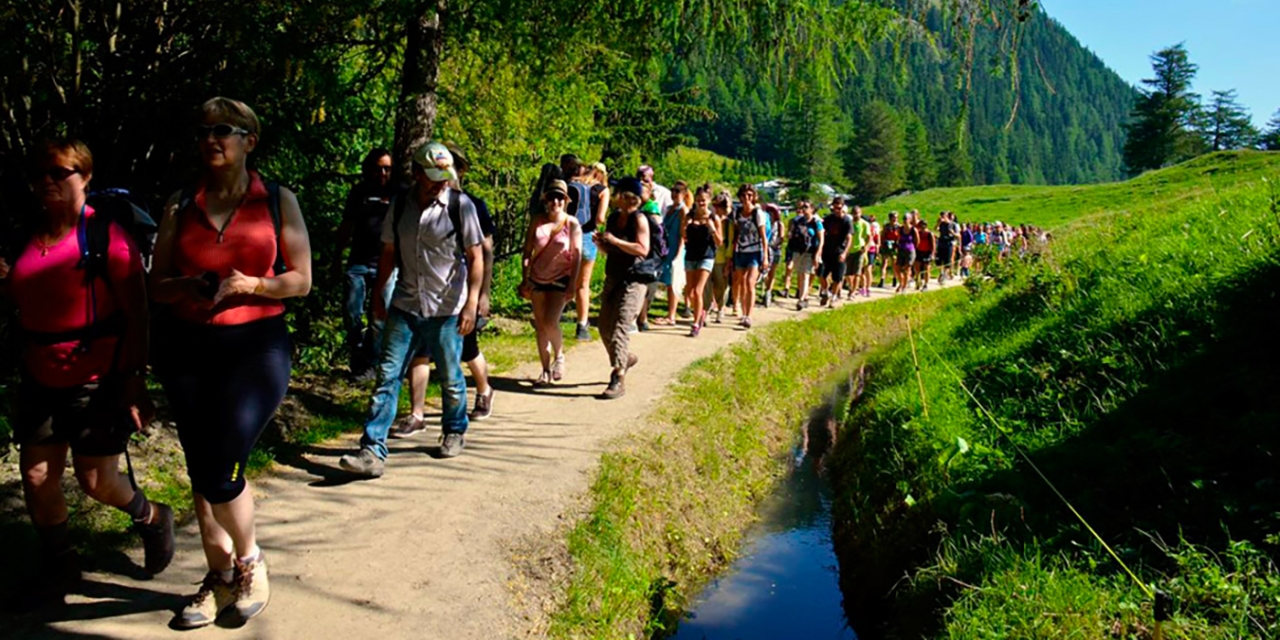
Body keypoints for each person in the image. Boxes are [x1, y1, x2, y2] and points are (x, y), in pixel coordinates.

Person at [150, 98, 313, 627]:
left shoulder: (276, 201)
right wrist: (188, 285)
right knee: (201, 468)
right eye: (204, 130)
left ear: (250, 140)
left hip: (256, 347)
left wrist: (254, 285)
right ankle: (219, 576)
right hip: (190, 347)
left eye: (224, 129)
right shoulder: (181, 202)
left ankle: (250, 561)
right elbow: (158, 284)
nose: (211, 138)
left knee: (222, 463)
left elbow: (301, 280)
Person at [3, 139, 174, 609]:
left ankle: (152, 515)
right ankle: (60, 566)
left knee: (96, 482)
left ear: (85, 177)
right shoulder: (25, 236)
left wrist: (134, 380)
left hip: (97, 377)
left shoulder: (105, 237)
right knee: (37, 476)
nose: (50, 181)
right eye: (42, 173)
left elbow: (138, 313)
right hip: (39, 373)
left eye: (61, 172)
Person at [338, 141, 484, 477]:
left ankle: (454, 430)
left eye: (444, 176)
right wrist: (378, 294)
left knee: (449, 377)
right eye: (433, 176)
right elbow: (388, 252)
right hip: (405, 304)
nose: (440, 182)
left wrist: (472, 303)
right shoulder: (401, 204)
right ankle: (372, 452)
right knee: (387, 378)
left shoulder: (460, 206)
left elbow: (476, 257)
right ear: (417, 174)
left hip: (447, 309)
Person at [395, 143, 499, 428]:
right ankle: (417, 414)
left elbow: (483, 253)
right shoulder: (411, 203)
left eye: (452, 170)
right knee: (420, 354)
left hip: (456, 297)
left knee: (467, 351)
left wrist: (481, 296)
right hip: (418, 298)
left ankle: (484, 389)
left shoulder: (470, 205)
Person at [332, 148, 396, 380]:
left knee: (380, 315)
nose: (382, 172)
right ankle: (358, 354)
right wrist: (337, 258)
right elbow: (346, 226)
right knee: (352, 313)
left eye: (387, 168)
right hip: (358, 263)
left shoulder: (399, 193)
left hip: (386, 265)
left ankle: (372, 363)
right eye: (378, 167)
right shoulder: (359, 192)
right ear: (369, 168)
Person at [520, 179, 582, 385]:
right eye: (552, 197)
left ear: (565, 201)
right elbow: (527, 251)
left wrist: (573, 283)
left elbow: (576, 255)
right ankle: (545, 370)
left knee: (550, 322)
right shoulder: (537, 221)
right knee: (540, 326)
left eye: (560, 198)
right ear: (546, 200)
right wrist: (525, 277)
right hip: (537, 278)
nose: (556, 201)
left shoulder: (572, 223)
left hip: (560, 278)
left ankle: (560, 356)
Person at [594, 177, 651, 399]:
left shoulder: (639, 220)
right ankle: (624, 357)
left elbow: (642, 249)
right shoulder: (614, 218)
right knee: (603, 326)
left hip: (634, 280)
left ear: (628, 197)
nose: (614, 196)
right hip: (613, 276)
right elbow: (610, 250)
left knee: (619, 326)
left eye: (618, 192)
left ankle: (618, 376)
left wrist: (615, 241)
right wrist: (602, 243)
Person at [571, 161, 609, 341]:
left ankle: (548, 317)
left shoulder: (574, 183)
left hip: (568, 235)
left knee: (564, 278)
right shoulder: (603, 190)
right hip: (587, 236)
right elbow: (600, 218)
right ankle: (581, 325)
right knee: (583, 284)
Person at [681, 185, 721, 337]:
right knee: (690, 291)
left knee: (698, 290)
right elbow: (684, 236)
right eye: (698, 200)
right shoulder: (689, 216)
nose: (701, 203)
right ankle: (701, 312)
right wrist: (686, 226)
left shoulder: (713, 218)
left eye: (703, 200)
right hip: (691, 255)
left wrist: (711, 229)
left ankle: (696, 323)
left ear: (709, 200)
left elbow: (720, 241)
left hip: (706, 256)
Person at [648, 181, 688, 326]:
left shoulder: (683, 210)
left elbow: (683, 233)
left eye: (678, 191)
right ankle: (669, 313)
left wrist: (679, 253)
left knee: (673, 281)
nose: (674, 194)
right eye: (673, 191)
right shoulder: (670, 208)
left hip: (676, 248)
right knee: (667, 281)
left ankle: (671, 315)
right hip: (667, 247)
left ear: (683, 194)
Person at [729, 184, 769, 328]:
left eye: (750, 195)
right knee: (740, 281)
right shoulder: (737, 212)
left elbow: (764, 237)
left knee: (750, 282)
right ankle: (742, 311)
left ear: (754, 197)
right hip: (740, 251)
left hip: (754, 252)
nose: (747, 198)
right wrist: (732, 254)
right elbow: (736, 234)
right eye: (744, 195)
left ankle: (748, 315)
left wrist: (765, 257)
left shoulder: (757, 213)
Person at [784, 199, 823, 309]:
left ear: (812, 209)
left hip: (810, 252)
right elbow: (791, 236)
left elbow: (821, 240)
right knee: (800, 275)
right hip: (798, 251)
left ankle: (801, 300)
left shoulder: (816, 223)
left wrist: (818, 254)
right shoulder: (797, 221)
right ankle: (804, 297)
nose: (803, 209)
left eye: (806, 207)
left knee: (805, 274)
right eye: (803, 207)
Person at [705, 192, 734, 323]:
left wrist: (728, 262)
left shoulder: (728, 224)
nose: (716, 208)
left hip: (721, 259)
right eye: (715, 205)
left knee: (721, 286)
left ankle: (720, 308)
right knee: (707, 286)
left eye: (719, 206)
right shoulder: (709, 220)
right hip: (707, 256)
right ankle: (706, 310)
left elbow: (730, 243)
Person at [819, 198, 853, 307]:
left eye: (839, 208)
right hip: (827, 250)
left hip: (839, 251)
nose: (837, 210)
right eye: (835, 208)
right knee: (821, 274)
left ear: (843, 207)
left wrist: (845, 253)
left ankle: (833, 297)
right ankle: (825, 292)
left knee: (837, 278)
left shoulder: (846, 221)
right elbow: (822, 232)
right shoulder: (828, 219)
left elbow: (849, 238)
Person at [843, 206, 871, 299]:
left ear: (861, 213)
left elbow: (869, 237)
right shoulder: (849, 223)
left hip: (859, 250)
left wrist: (866, 247)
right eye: (854, 213)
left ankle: (853, 291)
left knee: (857, 273)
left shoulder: (864, 224)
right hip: (849, 250)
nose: (856, 215)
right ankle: (851, 288)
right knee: (847, 273)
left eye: (858, 213)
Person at [760, 203, 784, 307]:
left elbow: (781, 237)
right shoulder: (764, 222)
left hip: (775, 250)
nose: (770, 213)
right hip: (765, 249)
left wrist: (773, 245)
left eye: (772, 211)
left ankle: (768, 291)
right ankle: (765, 288)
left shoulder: (779, 224)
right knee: (764, 272)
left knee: (772, 273)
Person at [894, 211, 919, 294]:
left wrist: (912, 248)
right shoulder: (901, 229)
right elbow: (898, 237)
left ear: (910, 220)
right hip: (901, 250)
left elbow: (917, 241)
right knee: (897, 268)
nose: (905, 220)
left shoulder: (913, 229)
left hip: (910, 251)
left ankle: (904, 287)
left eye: (906, 219)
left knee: (906, 269)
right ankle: (901, 283)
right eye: (904, 218)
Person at [878, 211, 900, 288]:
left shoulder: (899, 227)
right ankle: (882, 279)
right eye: (894, 217)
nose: (895, 219)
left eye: (896, 217)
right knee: (884, 263)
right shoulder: (886, 227)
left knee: (894, 263)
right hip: (886, 246)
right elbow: (882, 235)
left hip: (895, 246)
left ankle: (895, 278)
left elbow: (900, 237)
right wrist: (882, 244)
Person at [914, 218, 936, 290]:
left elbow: (933, 245)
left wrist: (932, 254)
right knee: (917, 267)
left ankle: (925, 284)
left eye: (923, 225)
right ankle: (918, 280)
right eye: (921, 225)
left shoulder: (929, 234)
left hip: (927, 252)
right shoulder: (918, 233)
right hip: (919, 252)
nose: (922, 226)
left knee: (926, 269)